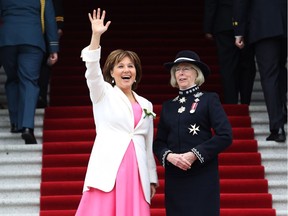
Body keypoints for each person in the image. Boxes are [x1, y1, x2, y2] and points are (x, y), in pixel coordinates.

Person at [75, 8, 158, 216]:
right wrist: (96, 36)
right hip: (109, 168)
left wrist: (151, 178)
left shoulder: (146, 104)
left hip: (136, 173)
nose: (126, 70)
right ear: (111, 72)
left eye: (131, 66)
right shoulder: (103, 93)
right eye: (120, 66)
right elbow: (92, 71)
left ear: (136, 72)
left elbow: (147, 144)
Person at [153, 50, 233, 216]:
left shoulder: (209, 99)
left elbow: (225, 135)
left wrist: (194, 154)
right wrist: (169, 156)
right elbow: (159, 142)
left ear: (197, 73)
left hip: (202, 174)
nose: (180, 73)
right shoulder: (168, 106)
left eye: (186, 68)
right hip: (175, 176)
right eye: (177, 69)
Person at [0, 0, 59, 144]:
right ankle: (27, 127)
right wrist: (53, 48)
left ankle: (15, 123)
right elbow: (49, 20)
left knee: (12, 79)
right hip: (32, 40)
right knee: (29, 82)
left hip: (7, 40)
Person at [233, 0, 287, 142]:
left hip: (264, 26)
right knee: (280, 70)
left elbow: (241, 3)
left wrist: (238, 31)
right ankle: (282, 109)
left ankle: (277, 127)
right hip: (284, 23)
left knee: (269, 75)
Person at [203, 0, 256, 104]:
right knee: (247, 65)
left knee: (228, 67)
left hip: (224, 22)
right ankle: (245, 102)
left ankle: (231, 103)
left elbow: (211, 3)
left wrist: (208, 27)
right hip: (246, 22)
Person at [38, 0, 64, 108]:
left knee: (44, 67)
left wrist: (58, 27)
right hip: (30, 33)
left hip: (45, 34)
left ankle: (41, 97)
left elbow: (56, 11)